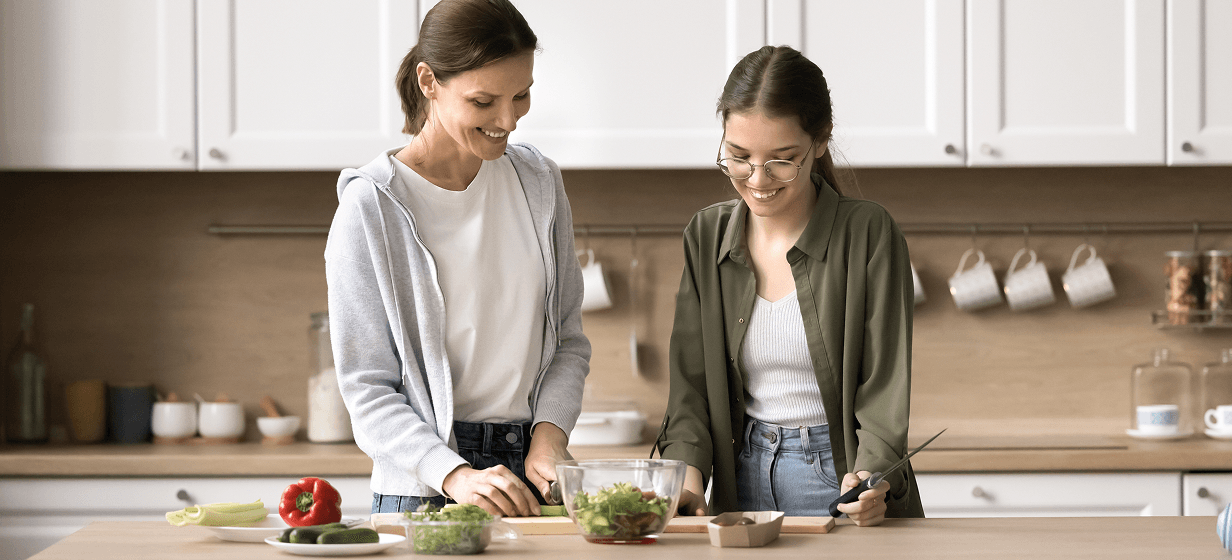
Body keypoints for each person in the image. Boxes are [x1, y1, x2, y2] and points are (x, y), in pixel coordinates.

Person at [325, 0, 589, 518]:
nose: (508, 119)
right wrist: (453, 473)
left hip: (530, 477)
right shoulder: (372, 206)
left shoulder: (539, 184)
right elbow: (366, 386)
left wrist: (550, 438)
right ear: (429, 82)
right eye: (484, 101)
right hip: (424, 488)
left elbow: (568, 341)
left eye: (522, 94)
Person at [655, 45, 924, 525]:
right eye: (738, 157)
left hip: (835, 477)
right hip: (741, 476)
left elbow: (884, 386)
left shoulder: (868, 232)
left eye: (782, 160)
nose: (758, 180)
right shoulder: (706, 235)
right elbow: (690, 388)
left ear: (820, 142)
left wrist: (872, 476)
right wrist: (687, 476)